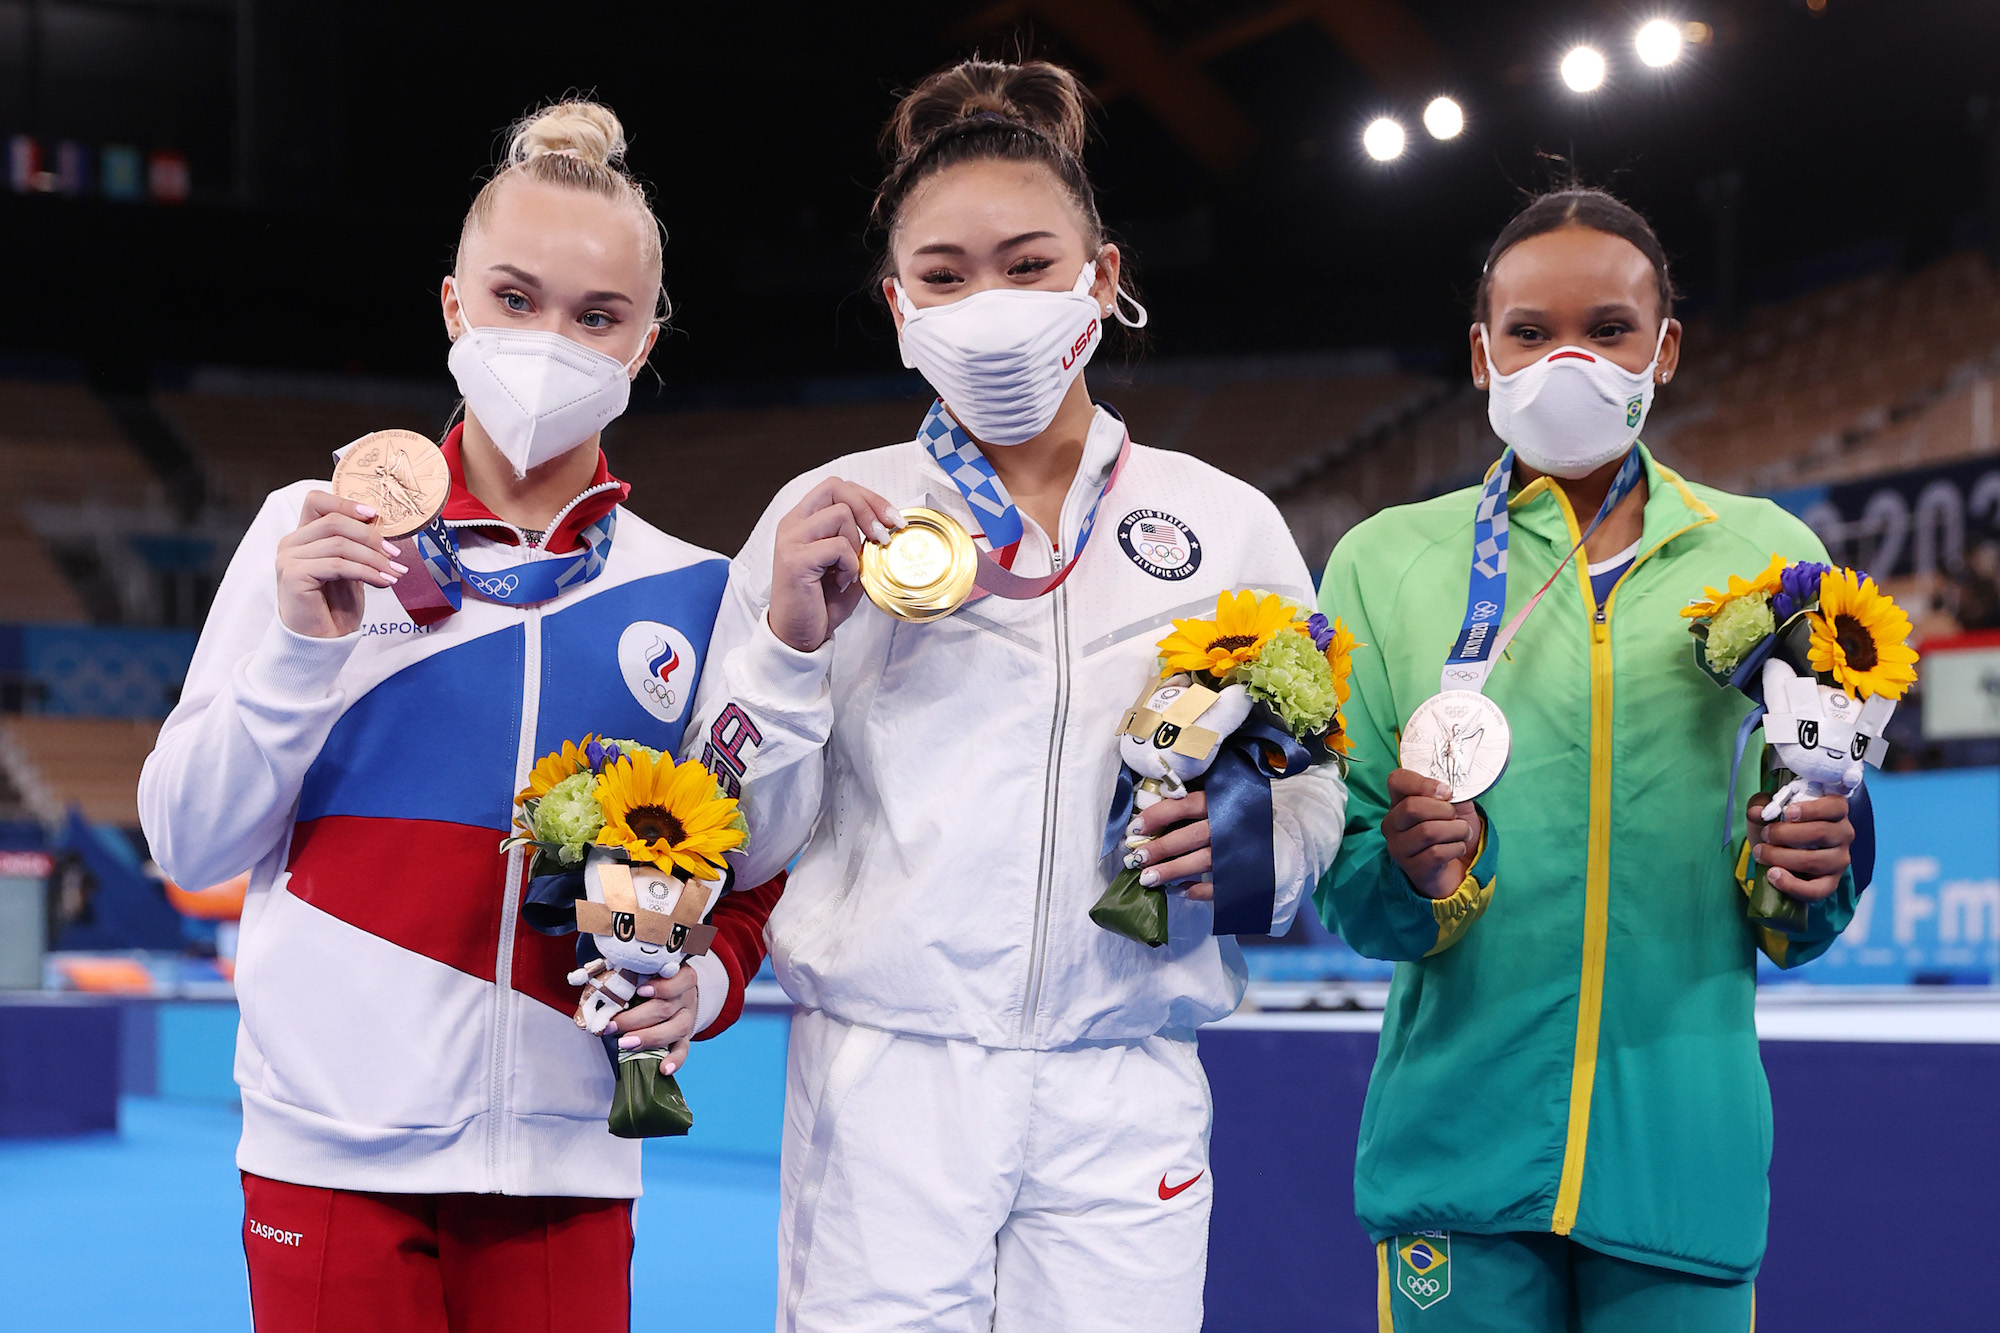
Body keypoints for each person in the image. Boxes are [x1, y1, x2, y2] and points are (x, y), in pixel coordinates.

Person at [685, 58, 1347, 1333]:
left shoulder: (1222, 523)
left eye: (1029, 264)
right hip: (888, 1079)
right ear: (896, 304)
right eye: (944, 276)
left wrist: (1258, 845)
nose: (987, 303)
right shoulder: (827, 518)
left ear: (1101, 278)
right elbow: (745, 841)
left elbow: (1311, 786)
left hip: (1123, 1077)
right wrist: (781, 650)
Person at [138, 101, 783, 1333]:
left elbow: (758, 870)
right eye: (514, 298)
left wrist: (699, 989)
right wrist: (296, 646)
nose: (551, 339)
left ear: (645, 343)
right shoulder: (310, 532)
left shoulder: (699, 592)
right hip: (326, 1149)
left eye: (596, 317)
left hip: (564, 1161)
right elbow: (189, 844)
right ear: (451, 307)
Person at [1317, 188, 1864, 1331]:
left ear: (1662, 349)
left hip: (1682, 1154)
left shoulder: (1769, 554)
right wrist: (1411, 873)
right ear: (1481, 353)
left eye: (1606, 329)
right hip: (1455, 1154)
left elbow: (1800, 873)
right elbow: (1350, 882)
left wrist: (1813, 867)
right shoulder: (1384, 561)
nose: (1566, 358)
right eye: (1528, 332)